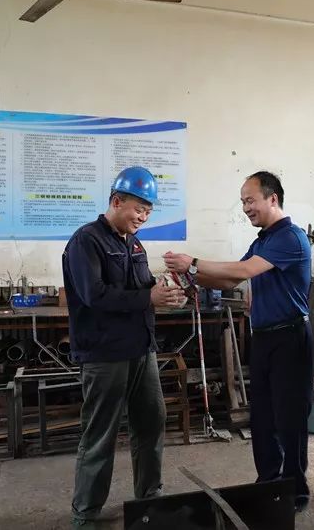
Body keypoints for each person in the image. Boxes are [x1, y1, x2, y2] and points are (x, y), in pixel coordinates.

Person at [163, 171, 313, 511]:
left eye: (250, 200)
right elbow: (231, 277)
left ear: (272, 198)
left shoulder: (289, 238)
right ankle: (269, 482)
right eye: (243, 201)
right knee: (263, 417)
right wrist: (190, 276)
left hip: (290, 338)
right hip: (264, 338)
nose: (245, 208)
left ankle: (295, 491)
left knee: (289, 419)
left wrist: (193, 263)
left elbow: (242, 272)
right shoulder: (262, 241)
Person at [63, 166, 185, 528]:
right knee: (100, 433)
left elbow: (144, 287)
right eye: (139, 209)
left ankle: (149, 499)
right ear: (117, 201)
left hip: (141, 349)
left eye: (148, 211)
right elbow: (94, 295)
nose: (143, 217)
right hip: (105, 353)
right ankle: (85, 513)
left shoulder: (133, 243)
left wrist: (166, 293)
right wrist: (148, 297)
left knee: (151, 423)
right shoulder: (86, 241)